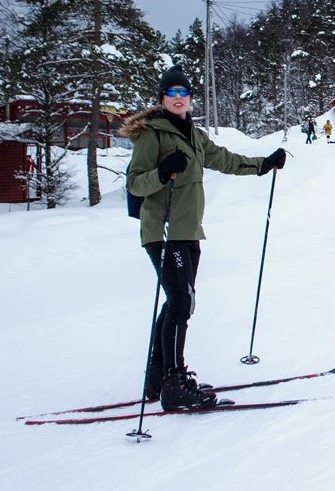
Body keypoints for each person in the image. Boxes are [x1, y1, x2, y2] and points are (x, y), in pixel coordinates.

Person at [121, 67, 287, 411]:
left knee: (175, 302)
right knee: (182, 303)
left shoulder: (194, 135)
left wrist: (263, 165)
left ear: (190, 98)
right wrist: (163, 171)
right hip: (164, 231)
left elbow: (223, 159)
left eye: (184, 92)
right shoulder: (152, 135)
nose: (178, 98)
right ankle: (175, 382)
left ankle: (158, 376)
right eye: (172, 92)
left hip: (188, 230)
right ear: (162, 98)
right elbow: (136, 183)